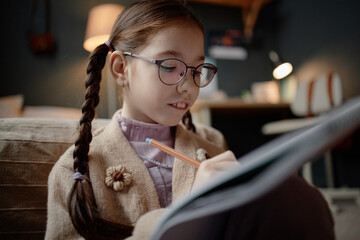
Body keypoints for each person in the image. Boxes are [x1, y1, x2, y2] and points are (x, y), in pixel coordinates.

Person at [45, 1, 239, 239]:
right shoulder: (76, 172)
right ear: (120, 69)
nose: (189, 87)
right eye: (169, 66)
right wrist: (188, 212)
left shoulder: (213, 148)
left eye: (197, 71)